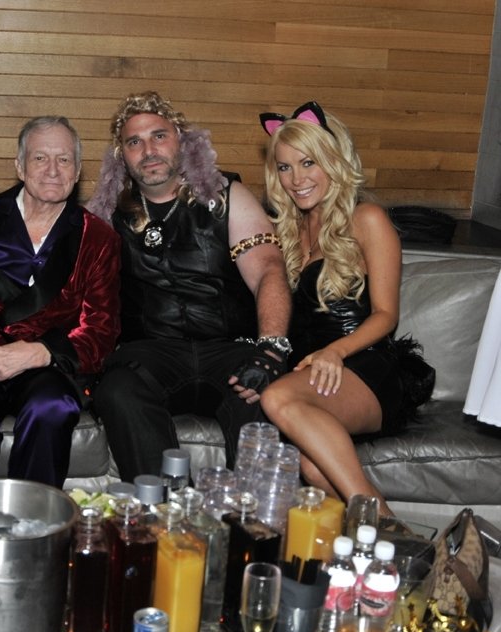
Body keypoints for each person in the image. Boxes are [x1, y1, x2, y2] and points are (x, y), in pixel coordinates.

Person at [87, 91, 292, 482]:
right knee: (116, 389)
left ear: (182, 140)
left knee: (265, 394)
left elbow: (269, 269)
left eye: (159, 136)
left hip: (230, 349)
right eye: (134, 142)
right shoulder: (106, 214)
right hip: (151, 354)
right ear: (121, 156)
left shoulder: (226, 195)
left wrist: (271, 349)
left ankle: (248, 514)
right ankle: (164, 508)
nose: (148, 150)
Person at [0, 115, 121, 487]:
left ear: (78, 171)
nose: (53, 170)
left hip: (47, 366)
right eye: (40, 158)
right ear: (19, 166)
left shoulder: (98, 237)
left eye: (64, 160)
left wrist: (42, 352)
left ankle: (35, 517)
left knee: (52, 408)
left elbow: (103, 330)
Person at [257, 101, 403, 516]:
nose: (296, 179)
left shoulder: (367, 218)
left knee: (276, 398)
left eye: (309, 163)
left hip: (364, 365)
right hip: (312, 372)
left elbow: (387, 314)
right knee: (312, 467)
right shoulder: (288, 228)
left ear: (335, 161)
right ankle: (399, 539)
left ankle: (379, 517)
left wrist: (335, 352)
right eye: (284, 167)